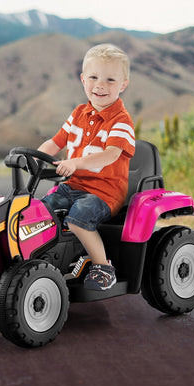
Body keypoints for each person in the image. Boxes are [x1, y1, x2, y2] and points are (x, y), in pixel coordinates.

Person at [38, 43, 135, 291]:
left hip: (105, 192)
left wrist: (75, 163)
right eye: (93, 77)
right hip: (73, 186)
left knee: (80, 216)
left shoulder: (121, 121)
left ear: (123, 84)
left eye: (110, 79)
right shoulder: (79, 113)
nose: (100, 85)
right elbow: (56, 141)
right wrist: (35, 157)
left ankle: (103, 267)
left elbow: (110, 155)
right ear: (83, 79)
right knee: (41, 210)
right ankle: (47, 261)